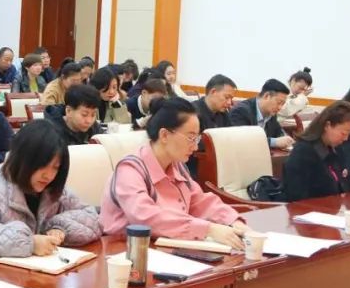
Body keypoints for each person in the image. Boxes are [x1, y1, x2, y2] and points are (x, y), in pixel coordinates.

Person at [101, 97, 247, 248]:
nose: (195, 147)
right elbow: (146, 218)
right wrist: (209, 229)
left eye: (197, 139)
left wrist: (233, 221)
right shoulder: (130, 170)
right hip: (124, 249)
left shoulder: (176, 165)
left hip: (166, 244)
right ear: (164, 135)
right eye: (191, 138)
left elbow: (199, 202)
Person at [0, 121, 103, 257]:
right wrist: (29, 242)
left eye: (55, 167)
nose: (49, 175)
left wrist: (60, 227)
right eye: (42, 165)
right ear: (23, 159)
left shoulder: (54, 189)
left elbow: (92, 218)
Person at [282, 101, 350, 202]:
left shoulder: (337, 148)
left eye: (349, 134)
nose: (346, 138)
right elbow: (297, 198)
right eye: (343, 133)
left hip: (336, 208)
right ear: (327, 125)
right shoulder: (303, 152)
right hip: (312, 209)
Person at [228, 79, 294, 150]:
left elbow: (279, 133)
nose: (280, 107)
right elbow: (243, 140)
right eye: (279, 103)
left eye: (283, 104)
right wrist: (274, 142)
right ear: (266, 96)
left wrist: (286, 139)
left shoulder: (271, 112)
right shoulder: (241, 111)